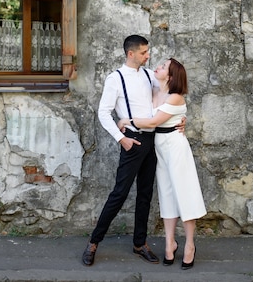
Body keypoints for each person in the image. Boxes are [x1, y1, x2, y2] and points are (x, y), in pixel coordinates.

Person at [82, 35, 184, 266]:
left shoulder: (149, 75)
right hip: (132, 141)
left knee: (145, 194)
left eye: (148, 52)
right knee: (119, 193)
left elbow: (171, 97)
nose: (148, 56)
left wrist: (182, 117)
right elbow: (103, 112)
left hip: (152, 140)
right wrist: (121, 139)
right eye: (144, 52)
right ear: (131, 54)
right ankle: (93, 242)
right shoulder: (115, 78)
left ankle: (140, 243)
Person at [117, 58, 206, 270]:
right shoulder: (153, 90)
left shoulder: (175, 97)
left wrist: (125, 121)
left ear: (171, 76)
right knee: (166, 195)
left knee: (185, 195)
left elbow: (154, 121)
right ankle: (169, 244)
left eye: (163, 66)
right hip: (160, 147)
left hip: (175, 147)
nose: (157, 66)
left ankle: (190, 245)